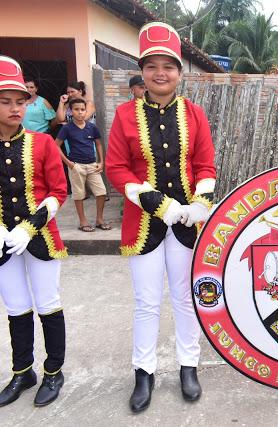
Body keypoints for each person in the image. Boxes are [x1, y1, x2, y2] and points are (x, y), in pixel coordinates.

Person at [105, 22, 217, 414]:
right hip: (144, 224)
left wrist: (200, 203)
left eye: (168, 65)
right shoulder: (124, 115)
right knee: (147, 302)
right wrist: (155, 202)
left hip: (187, 223)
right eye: (152, 66)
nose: (160, 73)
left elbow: (205, 165)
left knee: (186, 299)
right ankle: (144, 372)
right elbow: (116, 168)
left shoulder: (194, 114)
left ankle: (189, 366)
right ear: (143, 71)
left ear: (179, 72)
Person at [0, 55, 68, 407]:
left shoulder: (42, 143)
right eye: (5, 101)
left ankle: (54, 372)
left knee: (47, 305)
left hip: (41, 238)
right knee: (16, 308)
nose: (15, 108)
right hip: (2, 246)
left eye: (20, 101)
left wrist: (30, 227)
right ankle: (22, 371)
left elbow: (59, 192)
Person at [55, 98, 110, 232]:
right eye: (76, 109)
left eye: (82, 109)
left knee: (101, 192)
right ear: (71, 111)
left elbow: (98, 143)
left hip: (92, 165)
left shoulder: (92, 127)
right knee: (79, 195)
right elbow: (56, 146)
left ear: (86, 111)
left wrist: (101, 162)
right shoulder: (67, 128)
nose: (80, 112)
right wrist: (69, 163)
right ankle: (82, 221)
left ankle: (99, 219)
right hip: (76, 166)